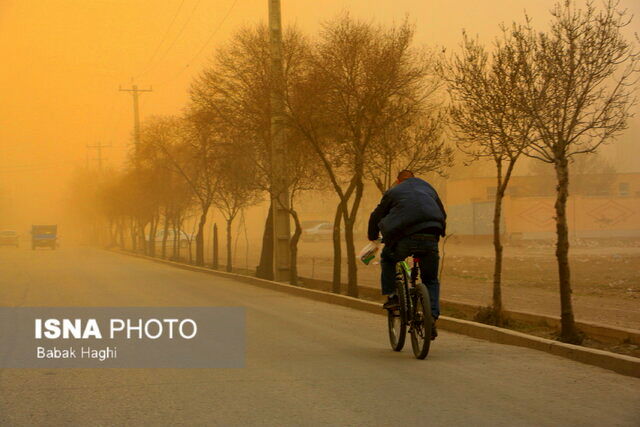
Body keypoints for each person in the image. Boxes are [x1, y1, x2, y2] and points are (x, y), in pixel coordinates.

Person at [367, 170, 446, 340]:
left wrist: (373, 236)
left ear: (398, 180)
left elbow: (376, 215)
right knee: (430, 279)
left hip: (404, 237)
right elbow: (442, 213)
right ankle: (430, 317)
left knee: (388, 258)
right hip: (431, 235)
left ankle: (393, 296)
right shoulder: (429, 189)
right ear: (415, 178)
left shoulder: (394, 191)